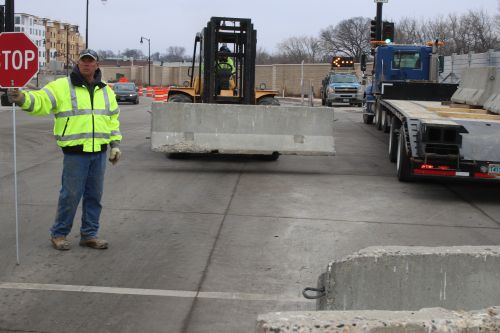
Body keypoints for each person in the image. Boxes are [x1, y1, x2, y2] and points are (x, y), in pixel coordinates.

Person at [7, 48, 121, 251]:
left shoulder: (106, 91)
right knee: (70, 195)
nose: (87, 64)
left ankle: (89, 234)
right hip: (75, 153)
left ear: (97, 65)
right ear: (78, 63)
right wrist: (22, 98)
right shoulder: (61, 87)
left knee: (94, 196)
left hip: (99, 153)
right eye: (83, 60)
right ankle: (59, 233)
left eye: (91, 61)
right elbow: (40, 101)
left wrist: (115, 145)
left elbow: (112, 119)